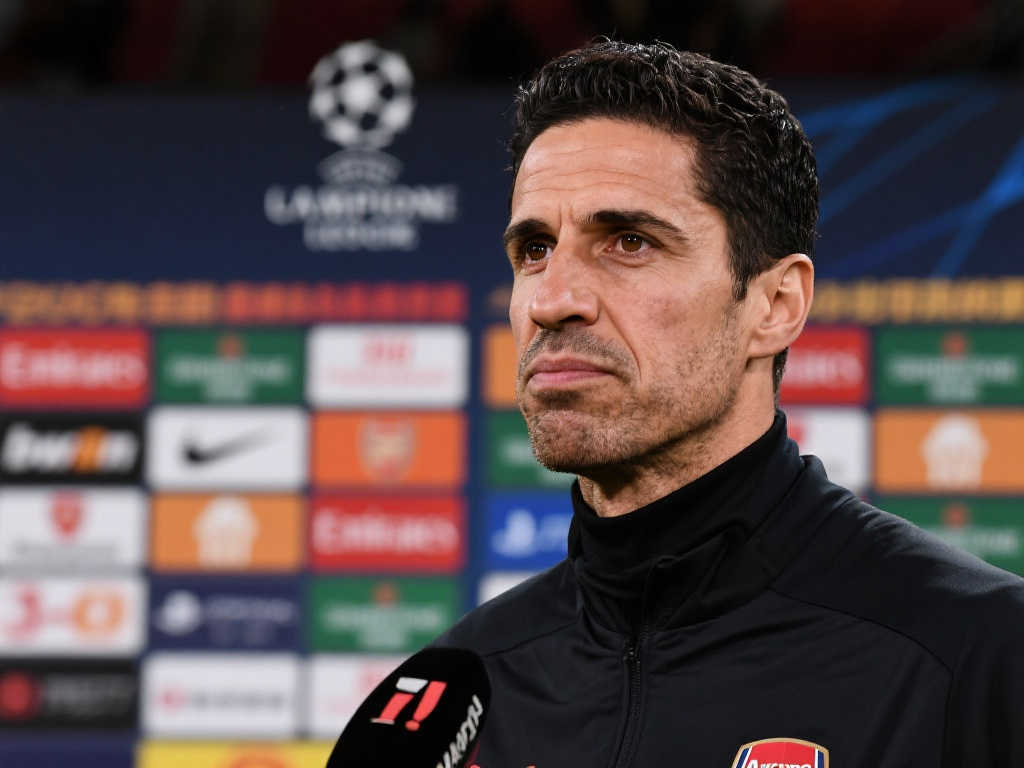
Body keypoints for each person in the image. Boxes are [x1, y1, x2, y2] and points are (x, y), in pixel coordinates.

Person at [438, 41, 1024, 767]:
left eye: (629, 242)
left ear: (775, 305)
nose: (552, 300)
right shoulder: (451, 696)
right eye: (534, 250)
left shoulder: (985, 659)